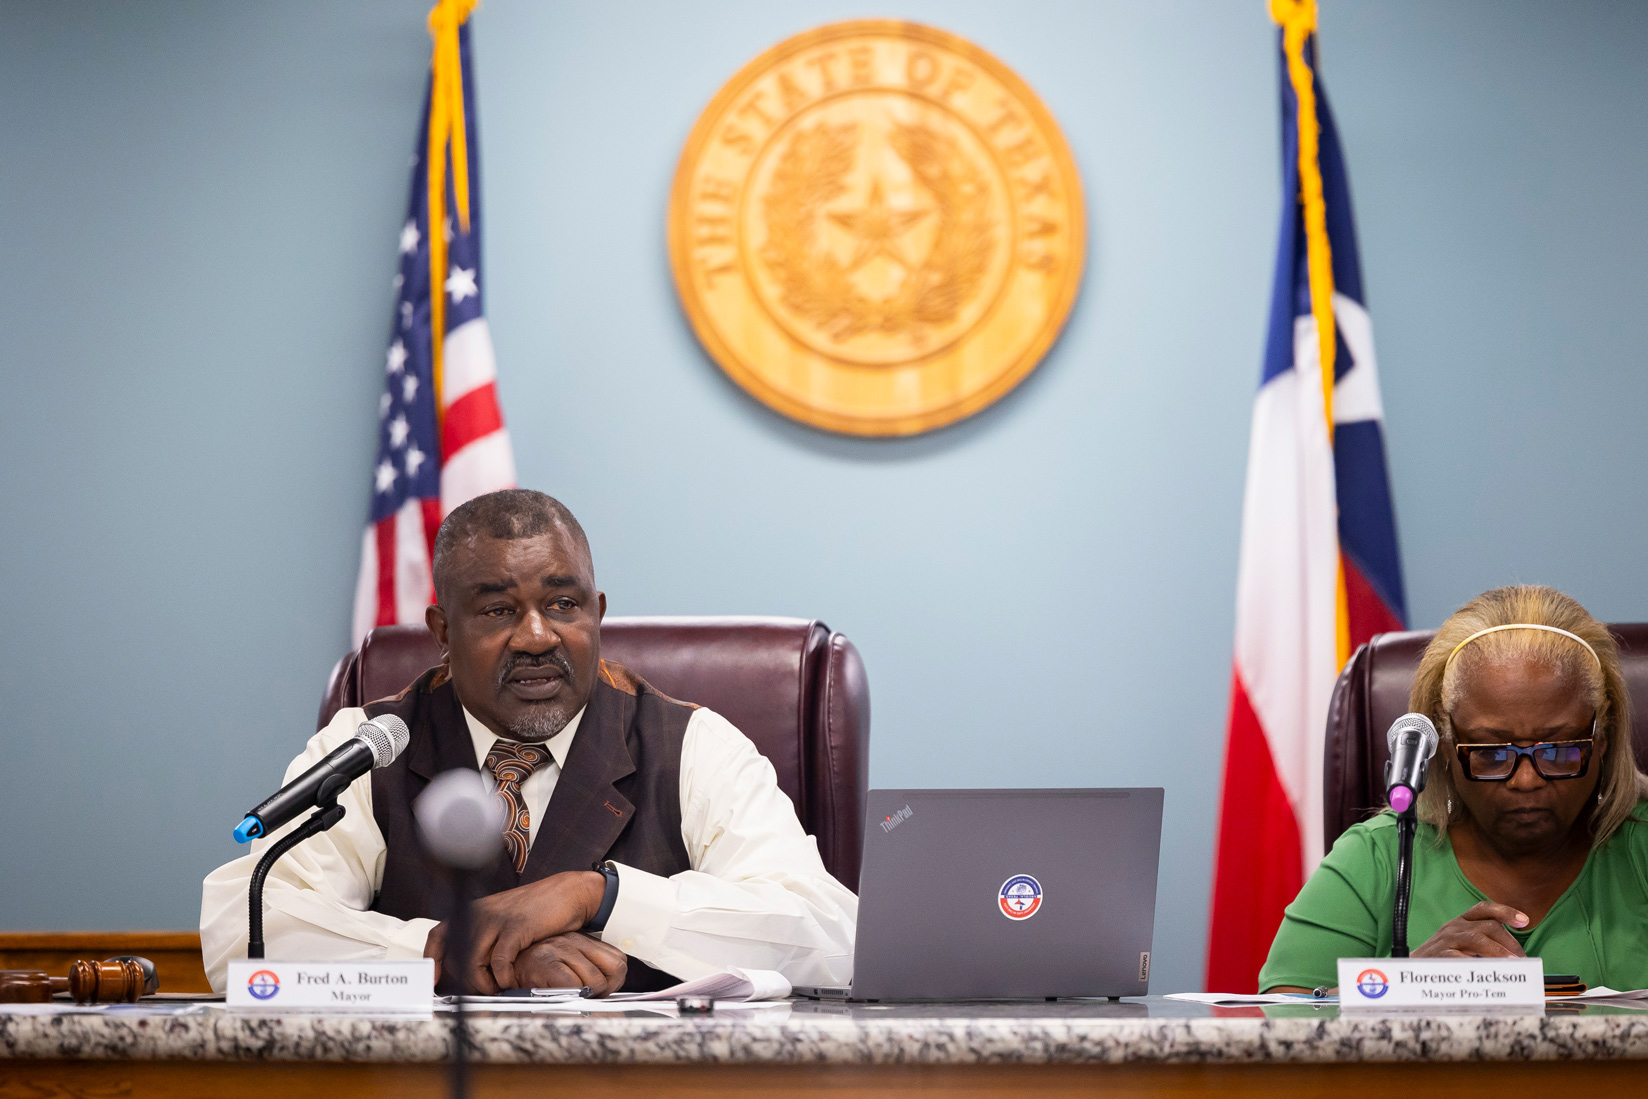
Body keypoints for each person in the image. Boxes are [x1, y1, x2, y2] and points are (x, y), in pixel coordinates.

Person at [201, 489, 856, 995]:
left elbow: (834, 938)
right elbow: (247, 931)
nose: (537, 635)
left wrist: (599, 893)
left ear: (598, 613)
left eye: (563, 604)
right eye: (497, 610)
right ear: (443, 632)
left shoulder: (692, 745)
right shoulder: (373, 746)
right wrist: (450, 952)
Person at [1260, 585, 1648, 993]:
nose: (1527, 780)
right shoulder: (1378, 857)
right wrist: (1408, 982)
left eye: (1558, 750)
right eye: (1492, 754)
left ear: (1601, 739)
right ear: (1446, 747)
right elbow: (1282, 1019)